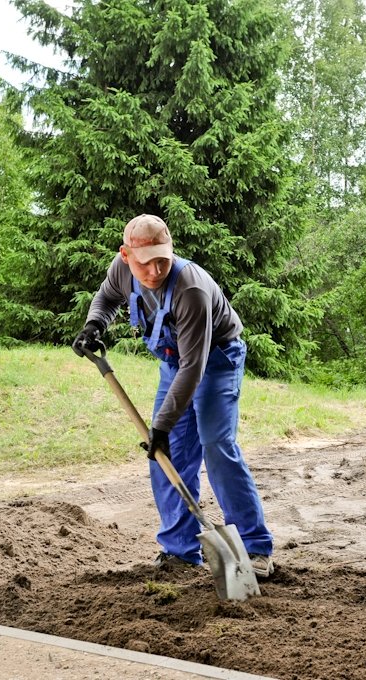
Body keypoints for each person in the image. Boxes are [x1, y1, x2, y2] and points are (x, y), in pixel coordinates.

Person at [72, 214, 275, 578]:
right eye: (144, 263)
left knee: (216, 445)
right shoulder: (121, 271)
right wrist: (95, 325)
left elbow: (194, 368)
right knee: (166, 454)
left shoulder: (191, 289)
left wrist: (161, 425)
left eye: (162, 260)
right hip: (173, 363)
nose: (154, 271)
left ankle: (254, 547)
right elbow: (106, 297)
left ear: (171, 252)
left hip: (215, 360)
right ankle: (180, 550)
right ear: (126, 256)